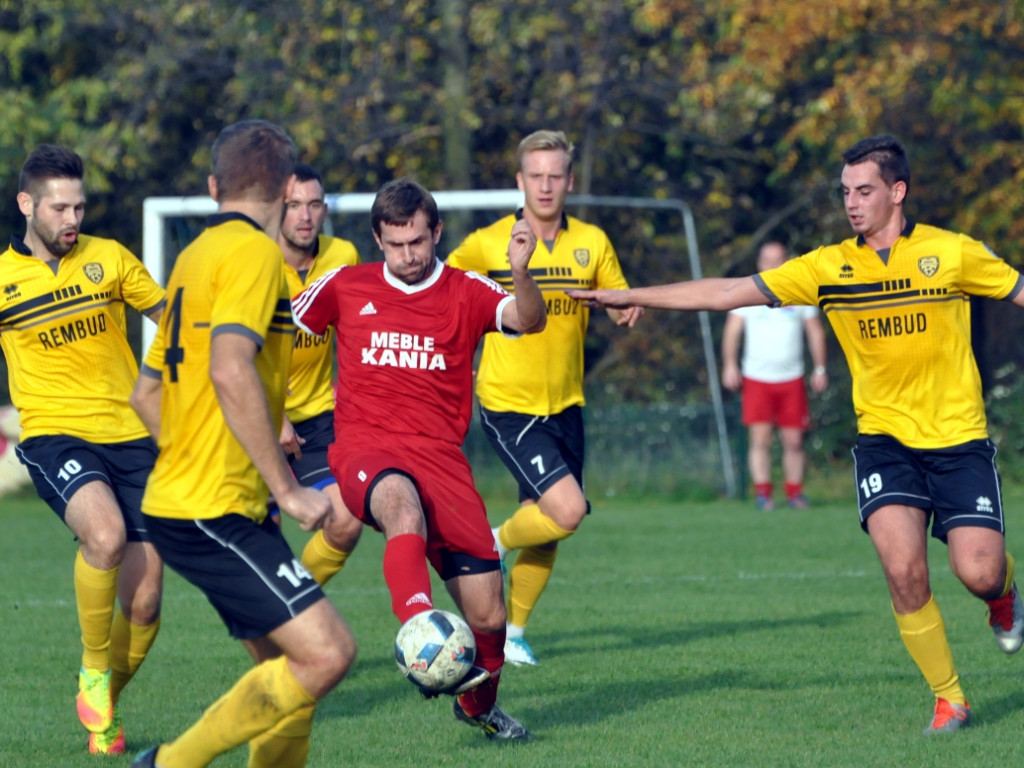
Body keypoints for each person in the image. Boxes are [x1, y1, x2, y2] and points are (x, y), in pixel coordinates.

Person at [568, 134, 1024, 735]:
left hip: (959, 440)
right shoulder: (827, 266)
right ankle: (949, 699)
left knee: (979, 570)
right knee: (904, 571)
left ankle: (1003, 598)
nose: (852, 203)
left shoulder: (953, 253)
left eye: (864, 191)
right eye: (845, 193)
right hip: (885, 442)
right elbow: (727, 293)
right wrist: (631, 295)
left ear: (898, 191)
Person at [129, 120, 355, 768]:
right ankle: (167, 764)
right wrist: (287, 488)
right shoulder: (258, 255)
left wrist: (194, 456)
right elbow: (230, 367)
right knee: (329, 652)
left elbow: (146, 394)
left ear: (212, 187)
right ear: (289, 188)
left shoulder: (193, 257)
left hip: (197, 500)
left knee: (295, 678)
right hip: (213, 508)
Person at [291, 177, 546, 740]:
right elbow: (275, 337)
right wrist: (275, 412)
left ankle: (479, 708)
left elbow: (529, 320)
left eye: (418, 242)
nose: (407, 256)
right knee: (400, 507)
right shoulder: (345, 285)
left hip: (442, 459)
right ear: (377, 239)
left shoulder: (465, 289)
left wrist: (522, 274)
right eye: (395, 244)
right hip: (365, 447)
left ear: (437, 232)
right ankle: (418, 631)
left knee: (489, 618)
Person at [445, 129, 643, 667]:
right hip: (509, 402)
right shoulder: (488, 243)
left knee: (548, 521)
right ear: (520, 181)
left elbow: (615, 295)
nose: (547, 185)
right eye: (536, 175)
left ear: (570, 180)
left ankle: (512, 633)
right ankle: (490, 543)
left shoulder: (593, 242)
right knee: (568, 509)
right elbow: (444, 291)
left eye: (556, 175)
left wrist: (623, 309)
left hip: (567, 403)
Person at [0, 144, 165, 756]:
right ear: (27, 205)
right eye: (60, 207)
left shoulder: (110, 259)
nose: (73, 219)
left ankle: (105, 707)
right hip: (54, 434)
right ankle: (94, 669)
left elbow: (168, 315)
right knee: (105, 535)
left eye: (80, 206)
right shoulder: (3, 280)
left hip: (130, 436)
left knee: (146, 603)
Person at [276, 163, 364, 585]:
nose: (304, 216)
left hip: (315, 417)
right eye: (294, 205)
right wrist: (271, 413)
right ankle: (274, 625)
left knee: (346, 521)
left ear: (325, 210)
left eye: (313, 205)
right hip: (250, 418)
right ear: (277, 209)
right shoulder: (252, 263)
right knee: (260, 540)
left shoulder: (342, 257)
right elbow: (221, 352)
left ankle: (296, 603)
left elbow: (360, 329)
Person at [720, 241, 829, 510]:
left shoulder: (800, 292)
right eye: (767, 260)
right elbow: (732, 332)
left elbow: (815, 332)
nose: (772, 265)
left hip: (792, 378)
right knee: (760, 439)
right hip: (757, 378)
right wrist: (729, 364)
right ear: (759, 263)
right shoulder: (747, 293)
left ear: (787, 261)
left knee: (793, 440)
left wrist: (820, 368)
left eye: (778, 259)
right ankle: (763, 494)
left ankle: (794, 493)